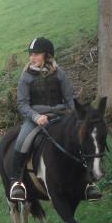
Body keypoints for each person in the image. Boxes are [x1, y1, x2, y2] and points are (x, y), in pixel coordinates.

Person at [8, 37, 102, 201]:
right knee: (22, 141)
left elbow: (70, 99)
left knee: (80, 139)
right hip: (35, 118)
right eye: (31, 54)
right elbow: (22, 104)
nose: (32, 57)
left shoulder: (60, 74)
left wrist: (76, 117)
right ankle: (17, 183)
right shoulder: (26, 77)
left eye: (36, 54)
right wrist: (36, 117)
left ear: (47, 55)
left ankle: (88, 183)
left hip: (61, 115)